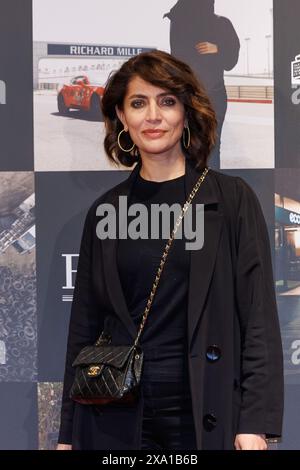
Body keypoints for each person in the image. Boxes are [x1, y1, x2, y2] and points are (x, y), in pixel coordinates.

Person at [56, 50, 283, 450]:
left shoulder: (231, 200)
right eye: (138, 103)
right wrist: (68, 433)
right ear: (122, 118)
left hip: (202, 413)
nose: (153, 116)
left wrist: (255, 422)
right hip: (115, 414)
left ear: (185, 112)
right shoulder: (106, 211)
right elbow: (83, 327)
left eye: (167, 101)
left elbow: (258, 320)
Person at [164, 0, 240, 169]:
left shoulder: (222, 24)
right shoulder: (179, 22)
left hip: (215, 94)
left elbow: (231, 61)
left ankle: (210, 188)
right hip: (188, 95)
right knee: (188, 142)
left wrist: (218, 49)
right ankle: (190, 189)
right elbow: (176, 59)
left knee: (213, 142)